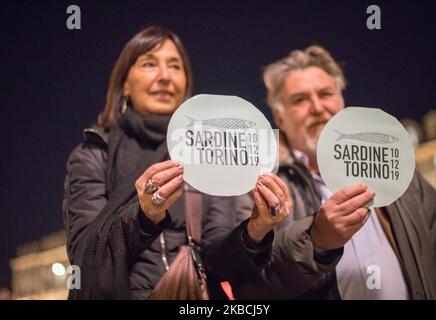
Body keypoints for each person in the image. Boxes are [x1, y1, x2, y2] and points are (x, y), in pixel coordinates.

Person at [63, 26, 291, 300]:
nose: (165, 76)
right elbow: (83, 259)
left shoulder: (205, 149)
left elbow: (220, 262)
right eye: (149, 64)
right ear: (124, 83)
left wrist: (257, 229)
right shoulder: (94, 153)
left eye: (175, 66)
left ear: (185, 82)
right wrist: (145, 216)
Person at [230, 46, 436, 299]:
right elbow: (250, 290)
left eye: (325, 94)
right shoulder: (260, 189)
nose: (316, 107)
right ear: (279, 118)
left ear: (341, 100)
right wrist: (316, 241)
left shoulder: (402, 175)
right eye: (299, 100)